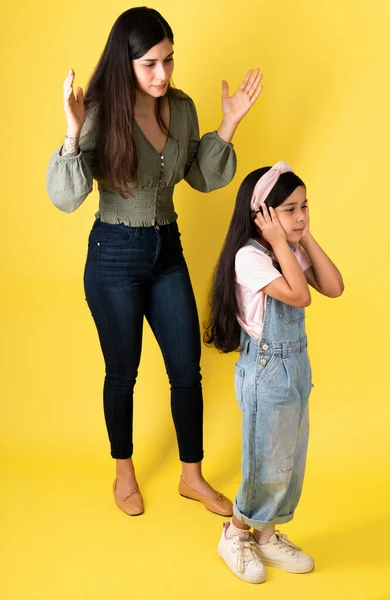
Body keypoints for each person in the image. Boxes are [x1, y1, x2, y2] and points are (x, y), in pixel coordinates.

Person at [46, 7, 263, 517]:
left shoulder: (181, 108)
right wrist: (73, 131)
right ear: (125, 65)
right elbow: (64, 197)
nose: (163, 73)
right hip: (113, 256)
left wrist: (228, 124)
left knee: (187, 369)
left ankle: (192, 476)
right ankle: (124, 473)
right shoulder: (98, 111)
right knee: (123, 372)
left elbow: (202, 177)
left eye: (168, 60)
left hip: (167, 250)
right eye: (149, 64)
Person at [205, 162, 344, 583]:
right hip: (265, 370)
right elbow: (301, 296)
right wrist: (282, 242)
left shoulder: (288, 247)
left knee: (289, 460)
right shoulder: (250, 257)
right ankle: (235, 533)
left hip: (296, 367)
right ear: (261, 216)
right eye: (289, 209)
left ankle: (266, 536)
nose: (301, 215)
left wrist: (302, 237)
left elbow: (333, 286)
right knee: (265, 462)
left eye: (305, 207)